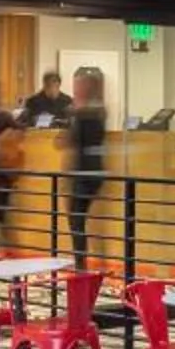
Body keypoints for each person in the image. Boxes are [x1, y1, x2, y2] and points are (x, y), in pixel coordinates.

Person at [65, 67, 109, 264]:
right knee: (77, 217)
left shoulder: (85, 112)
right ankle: (81, 261)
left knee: (76, 218)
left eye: (78, 85)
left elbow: (72, 139)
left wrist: (73, 116)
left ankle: (80, 263)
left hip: (85, 172)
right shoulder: (96, 110)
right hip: (92, 170)